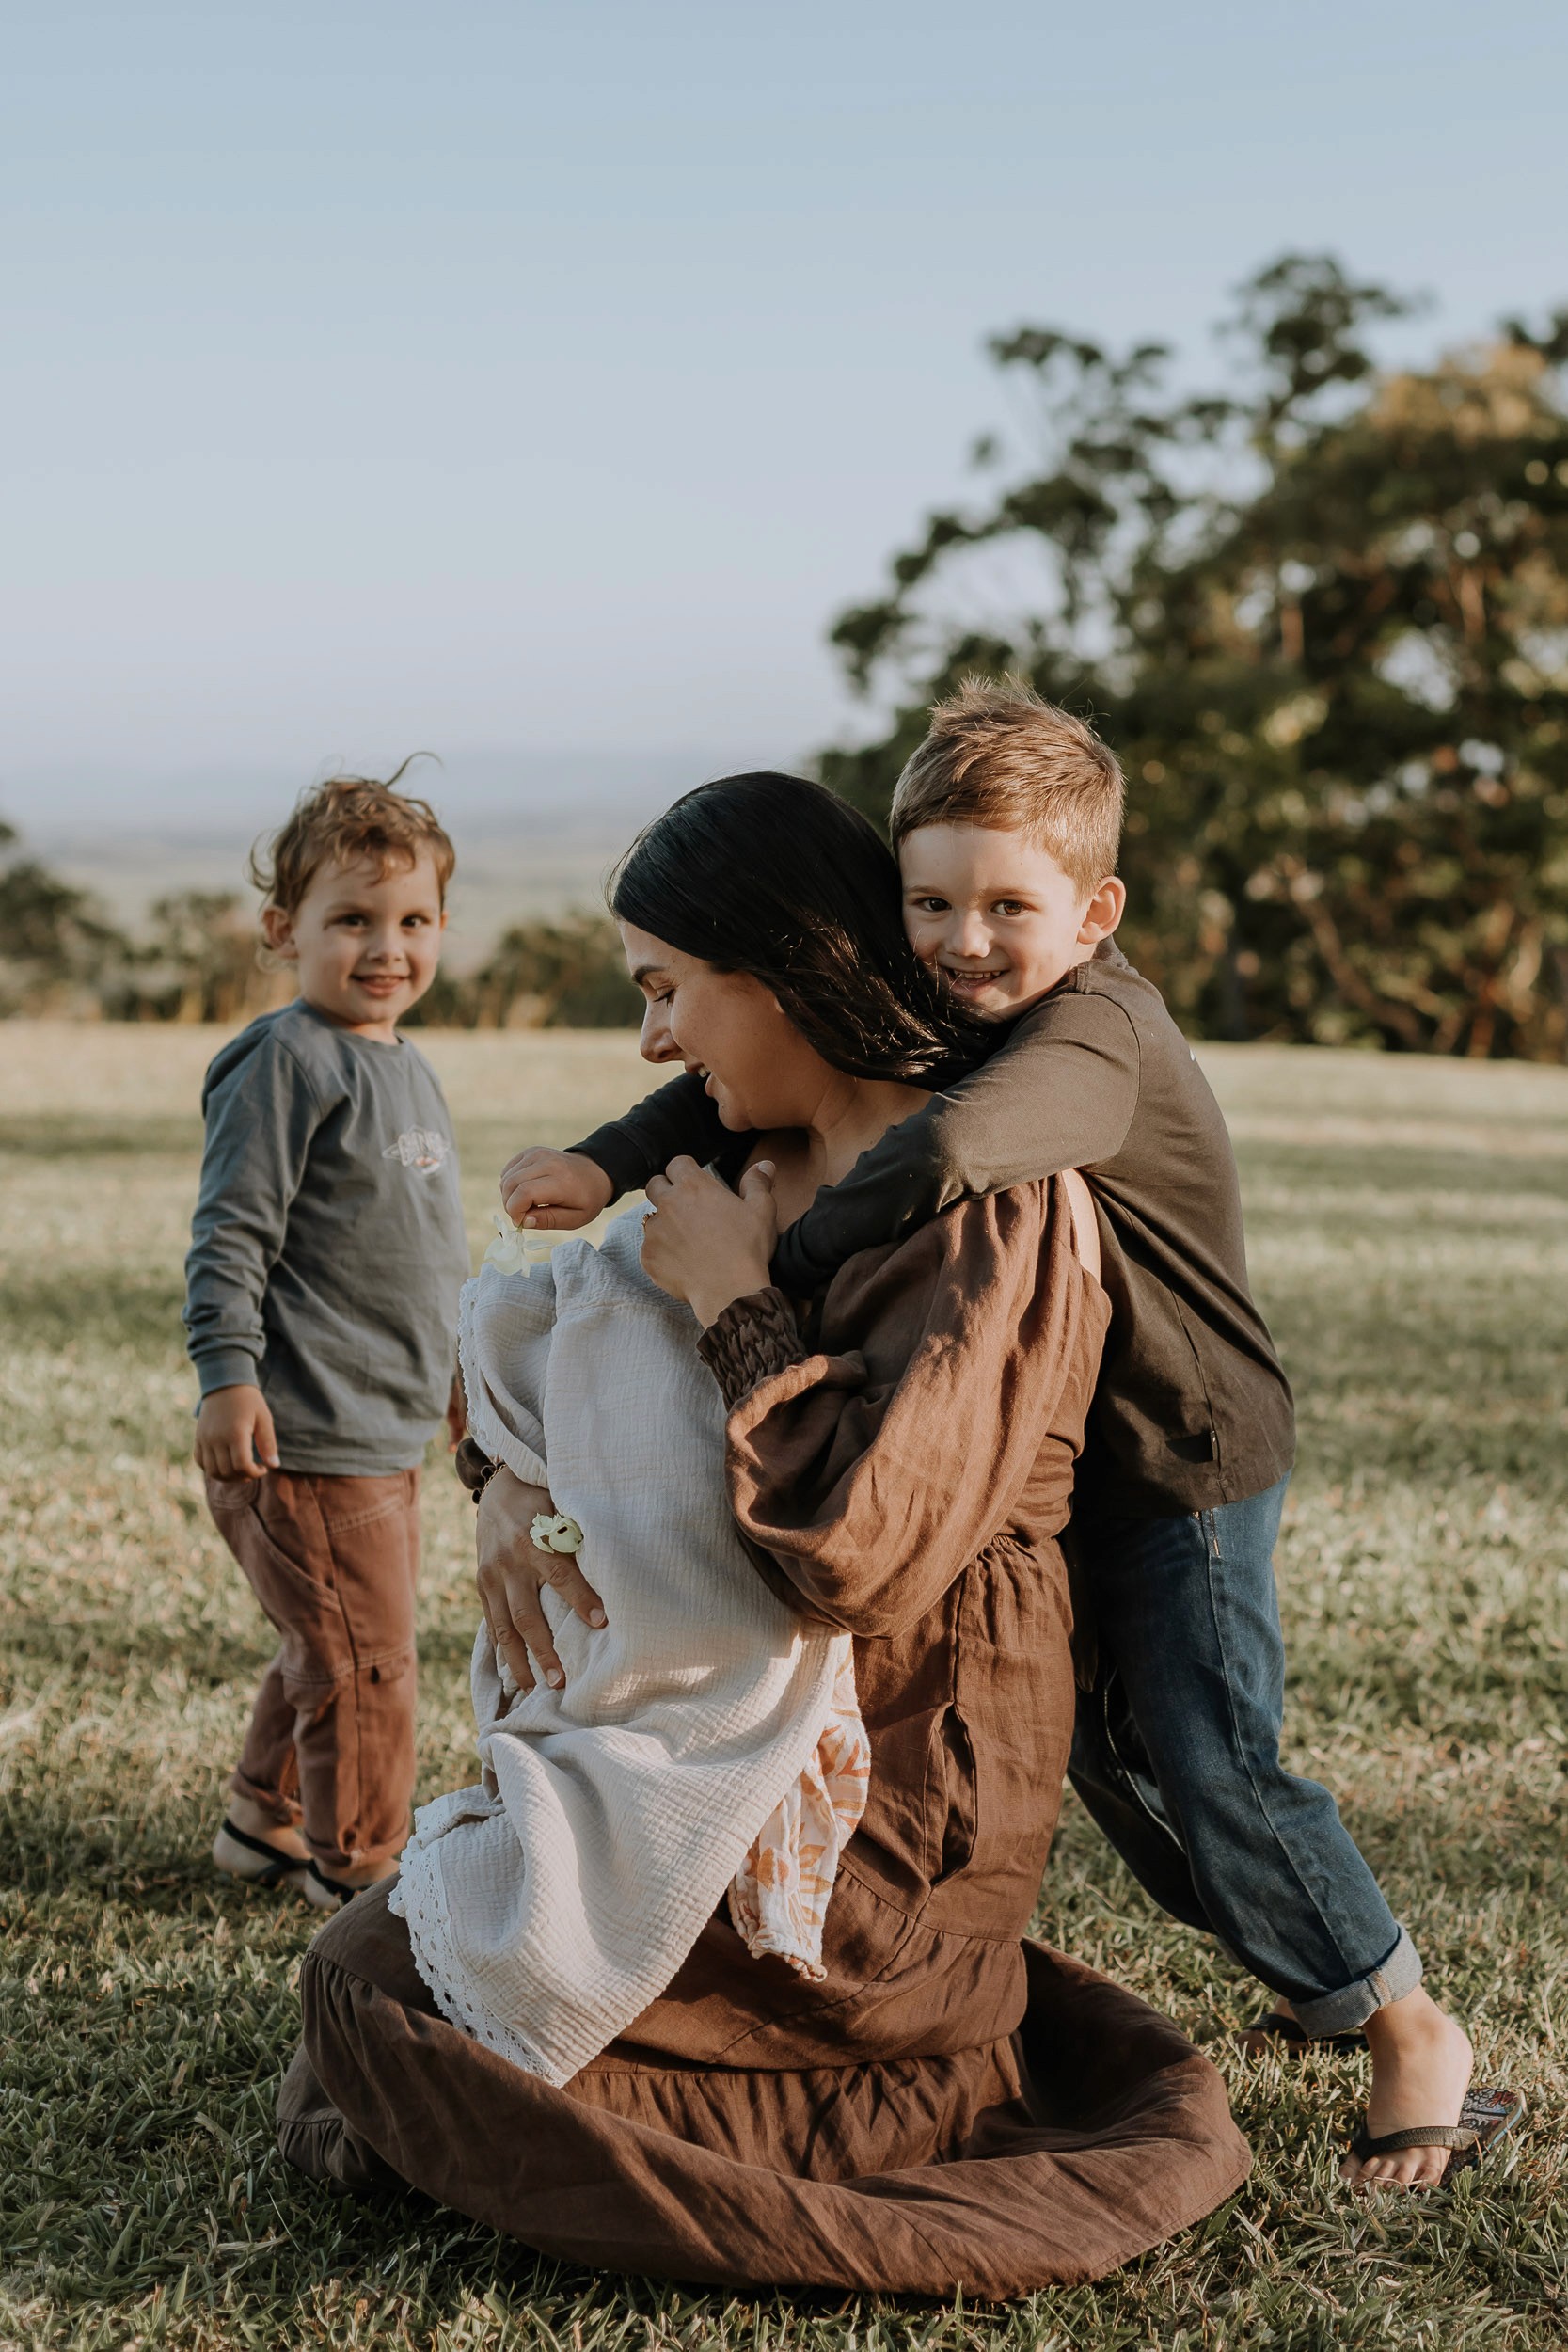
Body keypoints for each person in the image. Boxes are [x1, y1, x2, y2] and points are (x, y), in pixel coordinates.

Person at [499, 686, 1521, 2194]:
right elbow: (741, 1076)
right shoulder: (961, 1011)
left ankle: (1401, 2025)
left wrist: (760, 1278)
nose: (962, 940)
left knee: (1212, 1759)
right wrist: (606, 1159)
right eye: (927, 901)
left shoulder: (1087, 1035)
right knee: (1119, 1758)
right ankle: (1318, 1976)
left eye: (1004, 906)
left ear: (1094, 910)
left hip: (1180, 1458)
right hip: (1079, 1457)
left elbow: (950, 1150)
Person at [277, 773, 1250, 2296]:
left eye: (668, 991)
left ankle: (819, 2102)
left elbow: (855, 1554)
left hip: (893, 1814)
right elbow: (574, 1357)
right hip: (709, 1748)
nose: (653, 1041)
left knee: (366, 1998)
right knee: (362, 2001)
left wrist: (738, 1300)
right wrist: (514, 1492)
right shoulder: (745, 1155)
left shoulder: (994, 1214)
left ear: (786, 969)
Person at [184, 770, 469, 1909]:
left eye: (410, 921)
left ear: (442, 929)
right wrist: (227, 1378)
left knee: (335, 1639)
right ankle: (365, 1873)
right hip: (302, 1437)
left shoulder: (405, 1063)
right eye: (351, 919)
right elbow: (230, 1233)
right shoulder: (287, 1059)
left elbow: (418, 1255)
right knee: (366, 1662)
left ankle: (267, 1820)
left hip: (381, 1426)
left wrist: (456, 1379)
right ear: (282, 930)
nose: (383, 947)